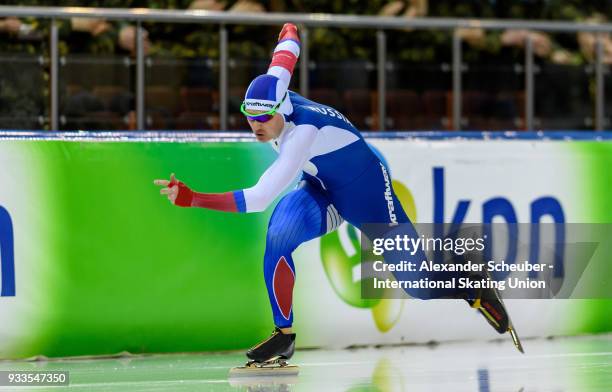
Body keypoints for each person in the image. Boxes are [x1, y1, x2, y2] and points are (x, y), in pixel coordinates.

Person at [155, 23, 517, 364]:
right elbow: (287, 51)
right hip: (322, 186)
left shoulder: (302, 134)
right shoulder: (274, 88)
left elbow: (259, 198)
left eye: (264, 118)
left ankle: (470, 283)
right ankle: (284, 335)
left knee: (417, 285)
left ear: (282, 109)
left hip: (369, 192)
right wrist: (289, 30)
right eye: (249, 116)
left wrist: (194, 198)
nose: (256, 126)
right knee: (279, 234)